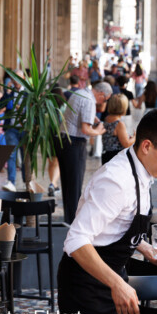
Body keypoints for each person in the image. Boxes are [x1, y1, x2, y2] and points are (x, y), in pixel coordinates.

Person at [57, 109, 157, 314]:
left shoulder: (140, 169)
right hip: (86, 289)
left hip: (112, 280)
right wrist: (117, 283)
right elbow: (76, 241)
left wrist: (145, 249)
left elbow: (119, 223)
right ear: (146, 146)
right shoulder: (116, 181)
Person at [54, 81, 113, 224]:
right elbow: (86, 129)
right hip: (74, 143)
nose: (103, 102)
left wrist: (93, 118)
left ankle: (69, 218)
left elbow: (78, 114)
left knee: (68, 183)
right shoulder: (89, 101)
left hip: (63, 140)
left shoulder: (80, 93)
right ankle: (73, 221)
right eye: (105, 99)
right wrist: (98, 131)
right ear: (101, 94)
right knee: (74, 184)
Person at [101, 94, 135, 165]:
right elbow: (126, 144)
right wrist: (135, 137)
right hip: (116, 157)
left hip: (106, 155)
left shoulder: (106, 119)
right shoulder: (119, 124)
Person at [48, 86, 67, 197]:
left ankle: (53, 184)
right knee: (58, 162)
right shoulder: (64, 106)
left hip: (48, 137)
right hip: (59, 137)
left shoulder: (46, 107)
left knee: (51, 162)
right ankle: (52, 184)